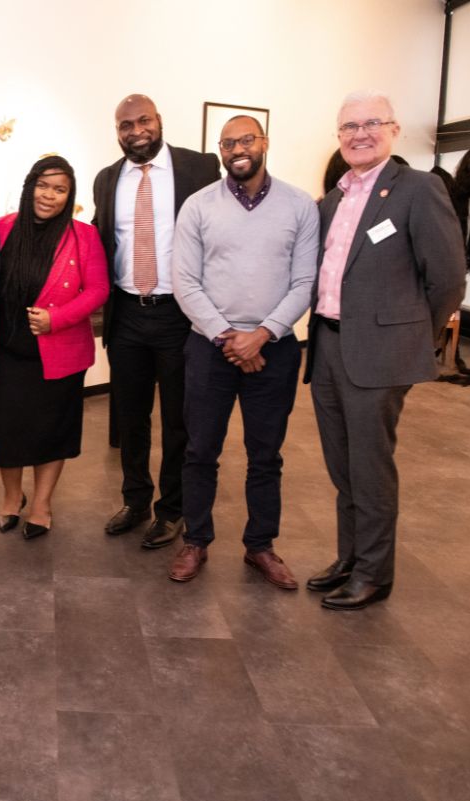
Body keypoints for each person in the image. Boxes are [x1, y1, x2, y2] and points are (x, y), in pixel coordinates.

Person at [304, 91, 464, 610]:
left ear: (394, 130)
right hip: (327, 347)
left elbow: (447, 280)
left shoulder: (418, 189)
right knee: (341, 466)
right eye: (348, 126)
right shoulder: (333, 199)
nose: (359, 134)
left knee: (371, 468)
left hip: (379, 355)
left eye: (371, 123)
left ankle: (375, 573)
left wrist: (411, 335)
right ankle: (350, 558)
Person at [169, 116, 318, 586]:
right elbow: (185, 282)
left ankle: (260, 546)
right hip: (210, 349)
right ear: (220, 150)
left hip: (275, 351)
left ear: (264, 143)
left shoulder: (299, 206)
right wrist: (228, 336)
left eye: (246, 139)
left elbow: (305, 281)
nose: (238, 149)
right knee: (199, 451)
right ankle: (196, 541)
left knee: (266, 455)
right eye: (229, 142)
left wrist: (264, 333)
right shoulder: (197, 206)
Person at [93, 94, 221, 548]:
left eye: (142, 120)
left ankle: (172, 510)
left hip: (179, 314)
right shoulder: (107, 179)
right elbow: (99, 242)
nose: (135, 130)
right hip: (127, 312)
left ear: (159, 121)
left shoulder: (199, 169)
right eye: (124, 124)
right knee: (130, 416)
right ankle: (135, 499)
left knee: (178, 419)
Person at [0, 156, 109, 539]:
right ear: (30, 186)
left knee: (51, 431)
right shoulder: (3, 228)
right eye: (44, 185)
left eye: (60, 189)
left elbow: (98, 290)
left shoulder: (83, 236)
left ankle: (41, 504)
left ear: (69, 195)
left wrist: (56, 319)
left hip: (59, 352)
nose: (50, 195)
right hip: (7, 352)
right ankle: (12, 498)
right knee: (7, 430)